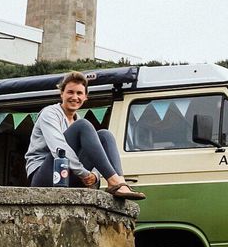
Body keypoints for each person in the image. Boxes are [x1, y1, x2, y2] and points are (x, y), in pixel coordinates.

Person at [24, 71, 146, 200]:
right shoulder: (50, 114)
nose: (74, 97)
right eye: (70, 92)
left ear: (85, 97)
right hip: (45, 176)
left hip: (70, 174)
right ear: (62, 94)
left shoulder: (78, 120)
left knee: (105, 135)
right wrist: (84, 173)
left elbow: (93, 153)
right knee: (83, 125)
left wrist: (94, 175)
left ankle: (119, 182)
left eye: (79, 93)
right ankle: (115, 182)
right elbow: (59, 149)